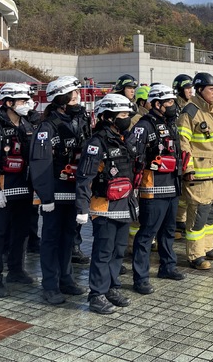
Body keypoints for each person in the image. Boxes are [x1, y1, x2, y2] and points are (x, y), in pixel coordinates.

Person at [29, 76, 89, 304]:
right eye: (73, 94)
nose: (78, 97)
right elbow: (40, 163)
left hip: (74, 190)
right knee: (51, 240)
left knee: (68, 237)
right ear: (61, 99)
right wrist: (45, 196)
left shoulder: (81, 119)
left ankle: (66, 279)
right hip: (54, 192)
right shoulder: (47, 127)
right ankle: (50, 285)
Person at [75, 94, 136, 314]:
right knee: (103, 252)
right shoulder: (96, 142)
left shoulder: (122, 138)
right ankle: (96, 294)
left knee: (118, 251)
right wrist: (82, 207)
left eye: (127, 114)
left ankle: (111, 287)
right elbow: (85, 176)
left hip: (124, 204)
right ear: (108, 117)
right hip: (104, 206)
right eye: (122, 115)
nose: (126, 118)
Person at [0, 83, 36, 297]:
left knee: (21, 232)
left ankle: (16, 270)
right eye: (21, 101)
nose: (26, 104)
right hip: (3, 190)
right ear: (9, 103)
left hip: (24, 188)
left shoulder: (27, 124)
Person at [129, 84, 186, 295]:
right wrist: (149, 160)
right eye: (169, 102)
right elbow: (132, 152)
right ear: (157, 104)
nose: (173, 106)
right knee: (147, 234)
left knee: (169, 231)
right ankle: (140, 278)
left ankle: (167, 266)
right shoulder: (144, 125)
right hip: (153, 188)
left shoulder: (171, 124)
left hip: (172, 186)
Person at [177, 72, 213, 270]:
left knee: (212, 212)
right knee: (199, 214)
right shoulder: (190, 112)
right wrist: (187, 168)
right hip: (198, 174)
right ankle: (195, 255)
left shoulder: (212, 111)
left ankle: (207, 248)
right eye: (211, 89)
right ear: (200, 90)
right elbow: (183, 143)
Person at [172, 73, 194, 239]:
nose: (190, 91)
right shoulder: (173, 107)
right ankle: (177, 222)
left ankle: (181, 221)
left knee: (186, 193)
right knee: (178, 193)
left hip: (188, 154)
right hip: (176, 153)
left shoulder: (192, 107)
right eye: (187, 88)